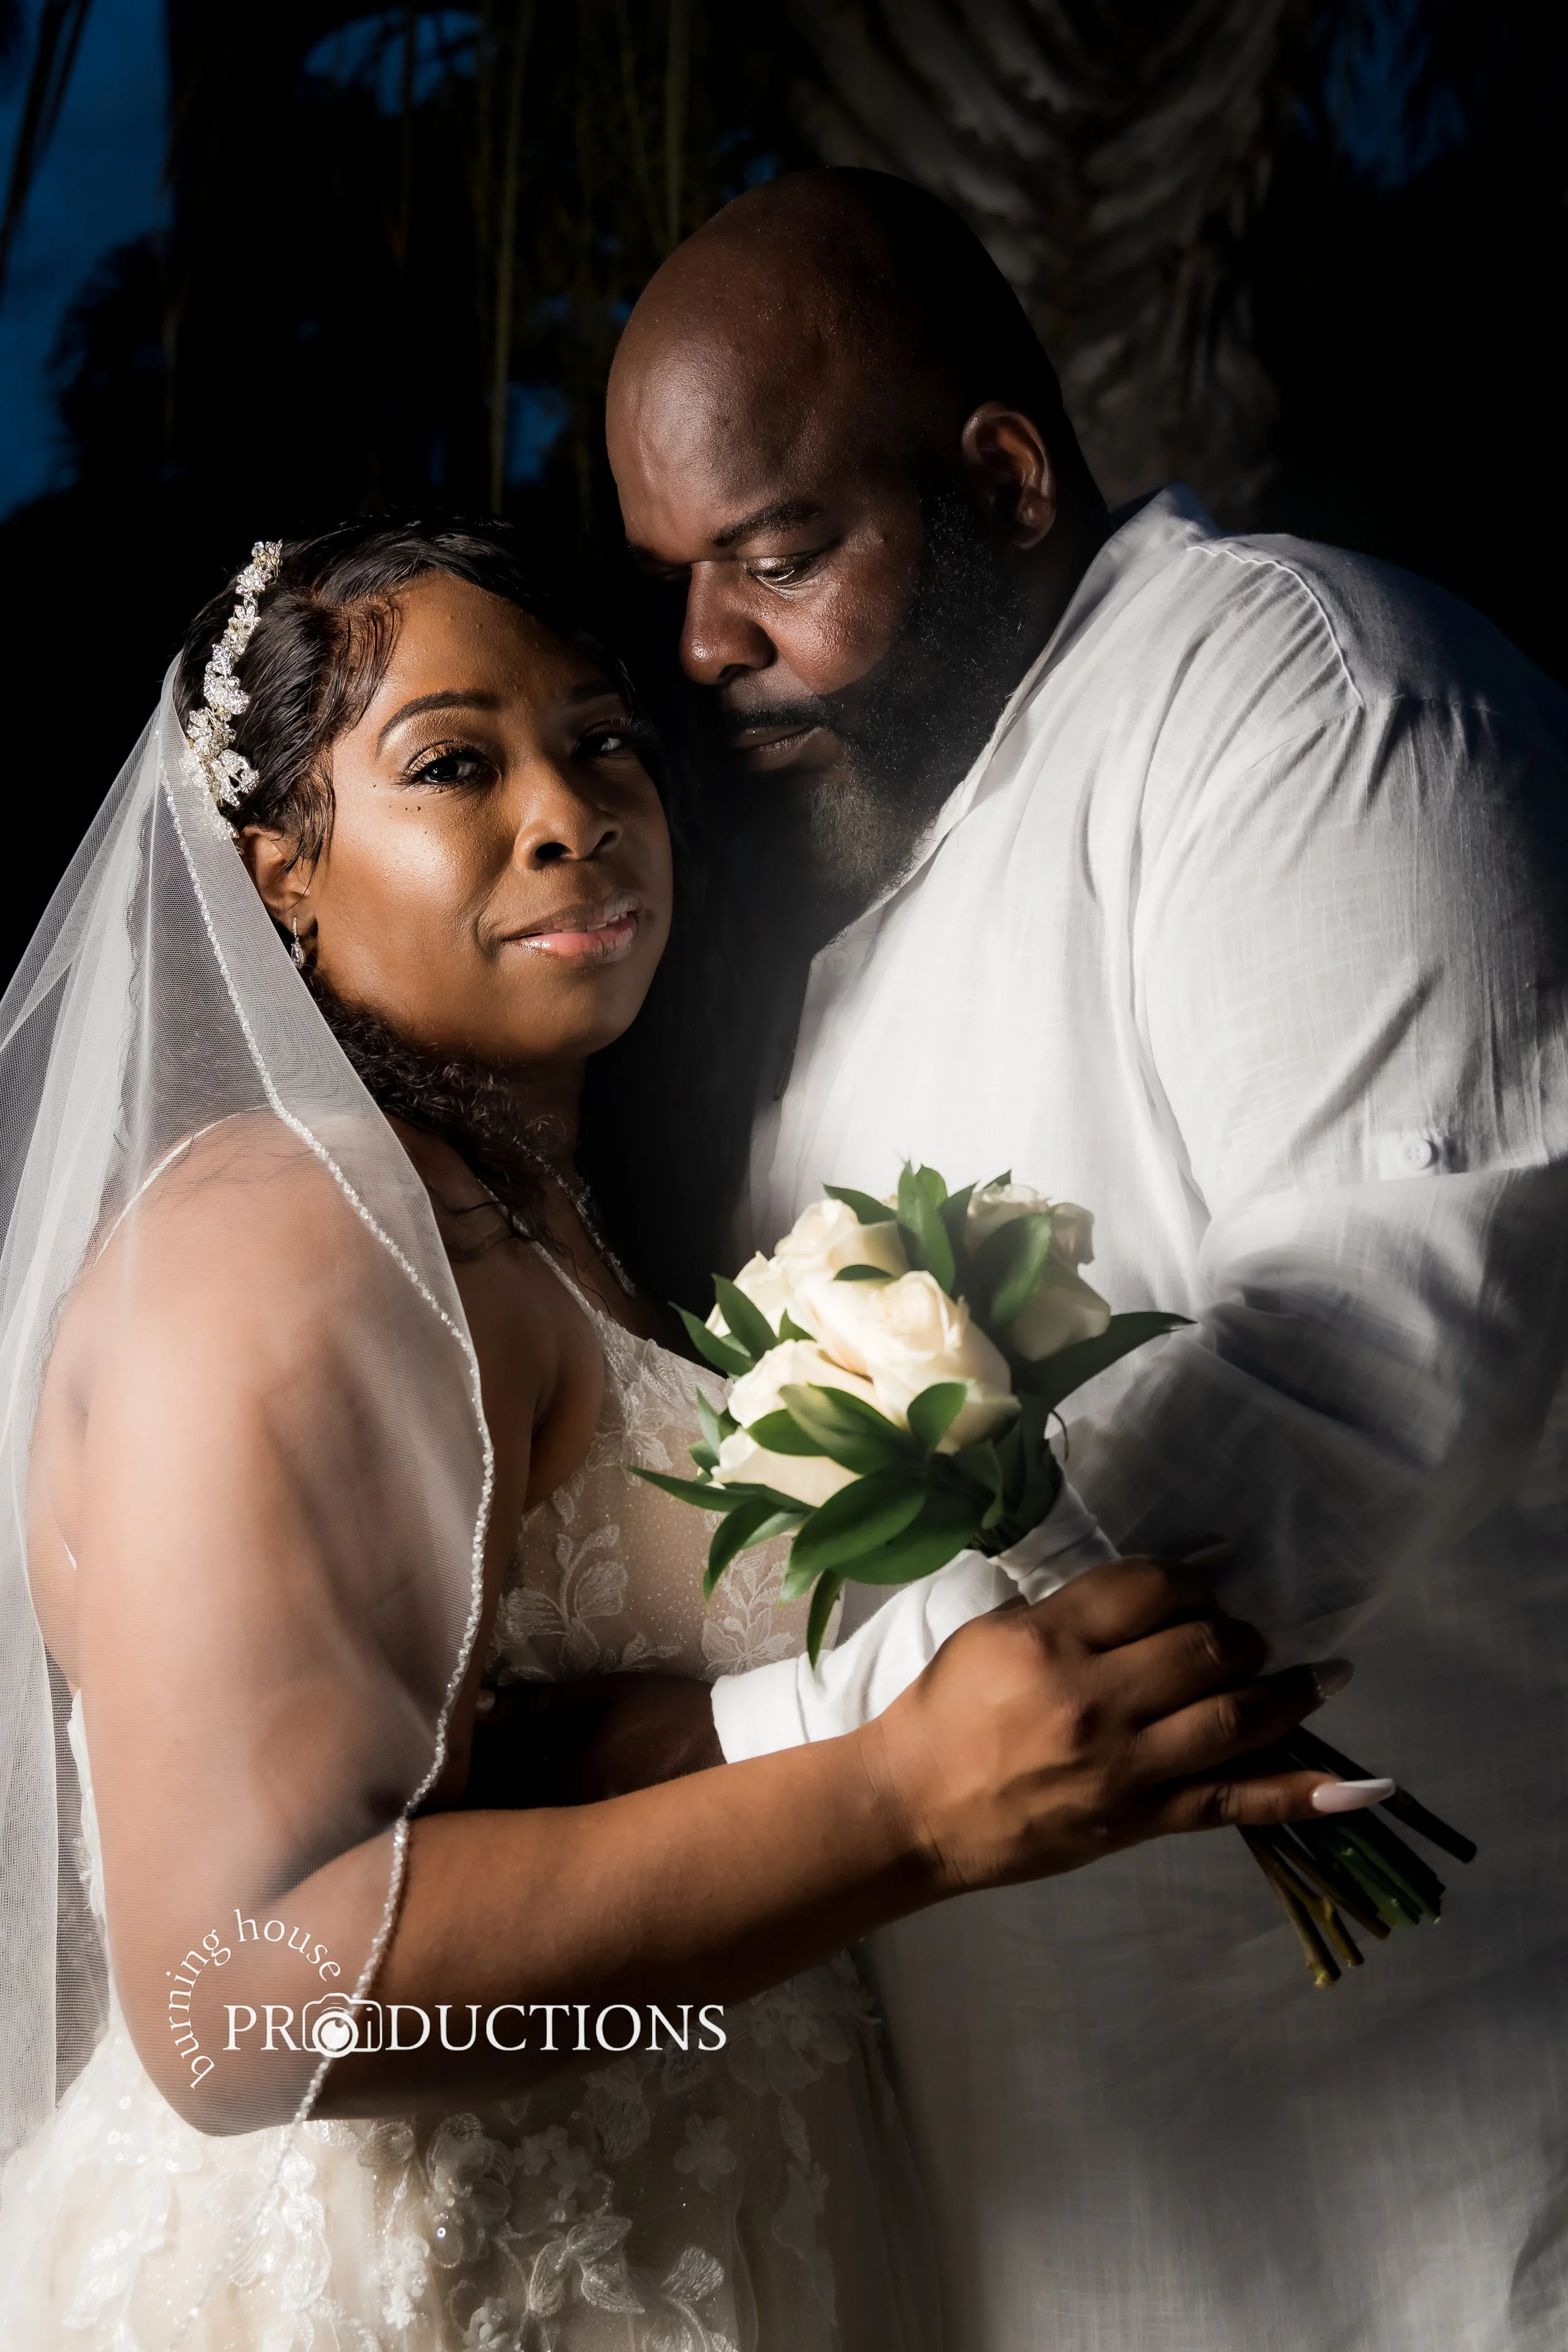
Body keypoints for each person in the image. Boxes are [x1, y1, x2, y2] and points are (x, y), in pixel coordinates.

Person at [0, 520, 1360, 2351]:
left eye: (607, 737)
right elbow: (243, 2002)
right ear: (282, 877)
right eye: (456, 762)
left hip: (708, 2226)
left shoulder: (546, 1216)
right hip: (417, 2284)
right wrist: (901, 1802)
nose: (571, 810)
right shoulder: (273, 1239)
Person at [603, 170, 1568, 2350]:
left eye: (771, 557)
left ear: (1003, 476)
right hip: (1062, 2204)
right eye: (674, 581)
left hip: (1432, 2191)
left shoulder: (1296, 698)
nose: (702, 650)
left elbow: (1360, 1377)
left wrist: (736, 1760)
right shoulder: (878, 893)